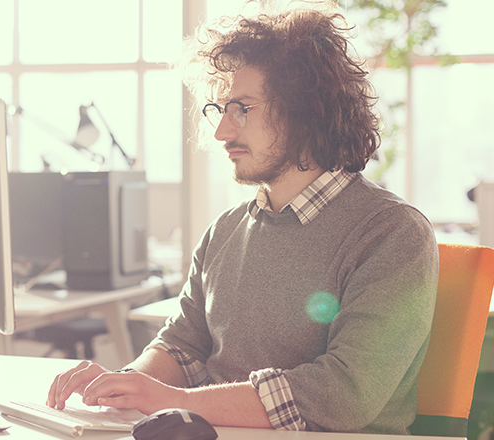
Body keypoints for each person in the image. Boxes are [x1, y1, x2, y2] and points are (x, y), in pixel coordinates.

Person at [46, 6, 439, 434]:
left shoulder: (393, 233)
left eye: (242, 108)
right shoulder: (225, 231)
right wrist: (123, 384)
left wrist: (175, 401)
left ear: (304, 110)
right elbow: (182, 346)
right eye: (220, 109)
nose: (221, 132)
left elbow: (344, 394)